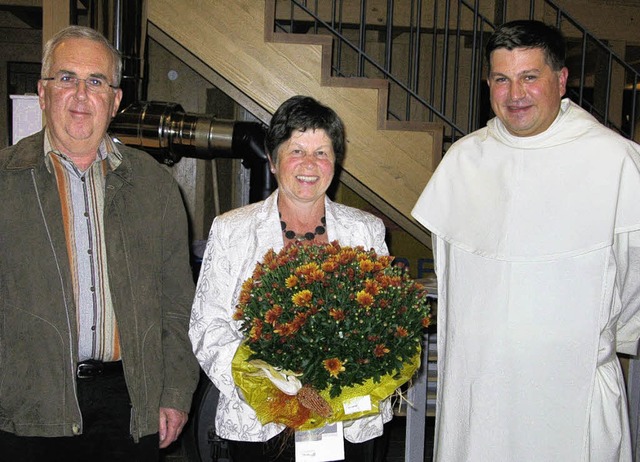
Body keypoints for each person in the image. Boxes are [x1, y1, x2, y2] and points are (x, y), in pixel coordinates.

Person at [412, 19, 640, 461]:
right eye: (501, 79)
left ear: (561, 79)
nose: (515, 95)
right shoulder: (464, 161)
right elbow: (452, 276)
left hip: (570, 388)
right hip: (478, 389)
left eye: (529, 77)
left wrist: (594, 340)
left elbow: (635, 282)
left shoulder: (614, 161)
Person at [0, 25, 199, 461]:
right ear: (43, 91)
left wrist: (175, 392)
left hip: (129, 401)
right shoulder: (5, 179)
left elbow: (178, 305)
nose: (80, 94)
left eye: (96, 82)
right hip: (24, 406)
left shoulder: (154, 185)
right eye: (66, 78)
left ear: (115, 100)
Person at [189, 95, 391, 461]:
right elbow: (207, 326)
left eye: (322, 152)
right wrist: (273, 390)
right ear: (273, 158)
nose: (310, 165)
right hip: (260, 420)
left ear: (336, 161)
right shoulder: (231, 230)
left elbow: (387, 324)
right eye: (297, 150)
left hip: (345, 418)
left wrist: (341, 384)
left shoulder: (366, 231)